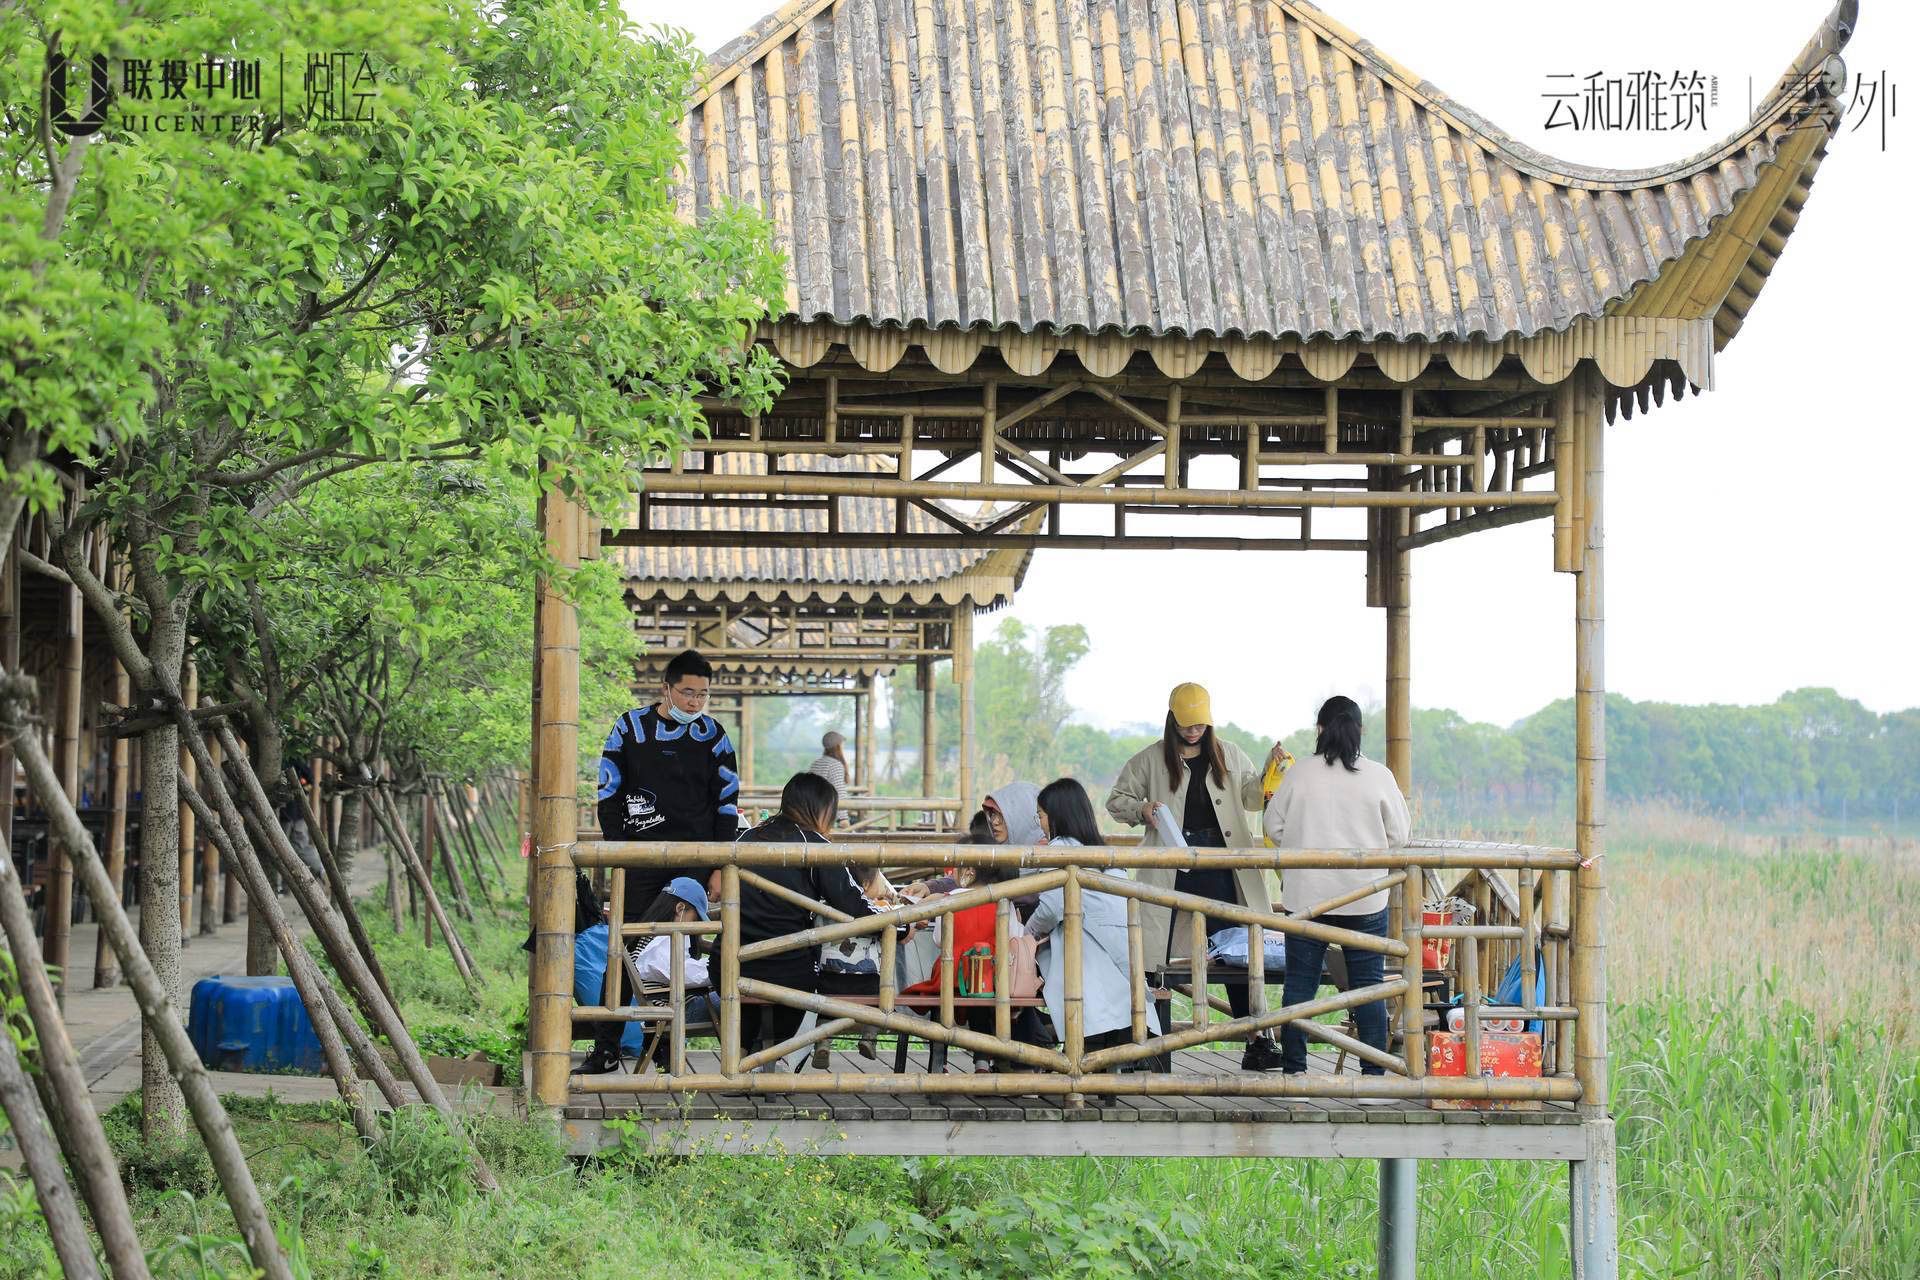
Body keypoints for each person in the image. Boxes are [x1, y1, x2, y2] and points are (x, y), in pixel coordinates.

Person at [1104, 683, 1290, 1071]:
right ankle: (1150, 1041)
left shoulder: (1230, 755)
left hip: (1223, 866)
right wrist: (1144, 810)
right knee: (1154, 952)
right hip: (1170, 864)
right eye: (1187, 725)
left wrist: (1271, 769)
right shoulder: (1151, 760)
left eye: (1200, 725)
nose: (1193, 732)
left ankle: (1257, 1038)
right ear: (1173, 720)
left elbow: (1255, 799)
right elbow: (1115, 802)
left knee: (1240, 950)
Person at [582, 648, 740, 1073]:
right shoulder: (629, 728)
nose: (694, 702)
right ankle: (606, 1047)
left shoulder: (715, 736)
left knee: (682, 952)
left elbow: (727, 805)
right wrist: (620, 850)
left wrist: (719, 866)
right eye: (687, 692)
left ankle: (669, 1044)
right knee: (626, 951)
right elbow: (608, 791)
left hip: (694, 862)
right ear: (666, 688)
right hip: (640, 859)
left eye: (702, 695)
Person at [1262, 696, 1410, 1081]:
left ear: (1319, 729)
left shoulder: (1299, 774)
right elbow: (1400, 835)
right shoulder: (1379, 776)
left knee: (1299, 986)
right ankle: (1373, 1073)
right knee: (1367, 989)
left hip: (1306, 896)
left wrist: (1299, 844)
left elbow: (1272, 827)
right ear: (1360, 730)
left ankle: (1295, 1071)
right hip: (1364, 896)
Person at [734, 772, 882, 1061]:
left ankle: (740, 1060)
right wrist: (897, 927)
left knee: (753, 994)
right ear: (821, 809)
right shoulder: (813, 845)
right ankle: (761, 1061)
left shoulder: (746, 837)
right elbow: (852, 905)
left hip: (731, 961)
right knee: (807, 978)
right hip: (788, 967)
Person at [1026, 778, 1160, 1078]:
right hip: (1118, 949)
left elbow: (1052, 907)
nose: (1040, 823)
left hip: (1086, 946)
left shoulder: (1059, 848)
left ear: (1057, 816)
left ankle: (1075, 1058)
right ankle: (1101, 1058)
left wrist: (1025, 934)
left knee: (1075, 982)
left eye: (1042, 816)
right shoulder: (1101, 850)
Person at [806, 731, 853, 812]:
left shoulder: (815, 763)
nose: (843, 746)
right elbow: (839, 795)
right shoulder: (835, 765)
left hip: (813, 811)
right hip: (827, 813)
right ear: (838, 746)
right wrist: (843, 818)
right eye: (842, 744)